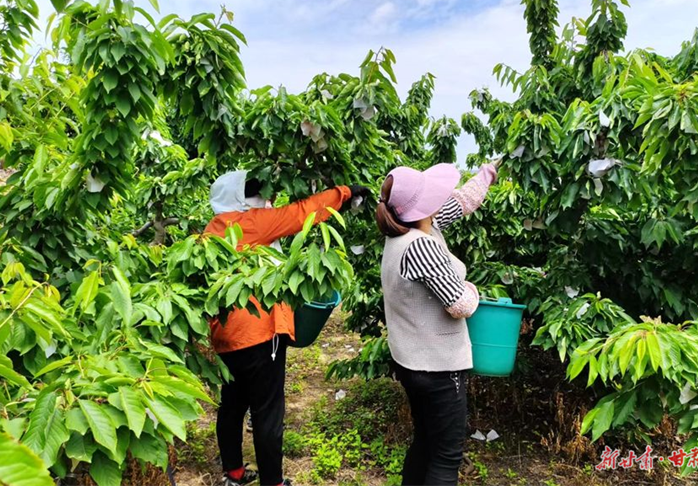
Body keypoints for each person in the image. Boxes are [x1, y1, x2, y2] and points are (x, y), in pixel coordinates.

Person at [205, 170, 370, 486]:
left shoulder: (211, 231)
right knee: (268, 412)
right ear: (242, 200)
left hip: (226, 336)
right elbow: (302, 213)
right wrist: (344, 193)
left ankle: (234, 473)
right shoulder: (250, 224)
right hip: (259, 336)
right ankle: (274, 481)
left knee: (232, 404)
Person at [376, 162, 498, 486]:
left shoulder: (408, 229)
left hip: (413, 363)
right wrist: (473, 288)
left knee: (426, 441)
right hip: (438, 368)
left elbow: (461, 202)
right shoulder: (420, 245)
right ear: (420, 206)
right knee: (446, 454)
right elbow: (460, 304)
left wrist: (487, 173)